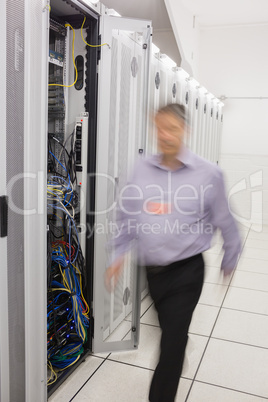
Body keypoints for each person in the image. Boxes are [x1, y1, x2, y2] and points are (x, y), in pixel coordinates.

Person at [105, 103, 241, 402]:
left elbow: (225, 219)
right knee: (171, 330)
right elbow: (128, 215)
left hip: (187, 271)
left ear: (185, 131)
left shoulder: (208, 174)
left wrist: (230, 256)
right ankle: (177, 347)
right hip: (151, 271)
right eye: (160, 128)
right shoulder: (141, 168)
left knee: (170, 345)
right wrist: (117, 254)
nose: (165, 135)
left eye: (173, 129)